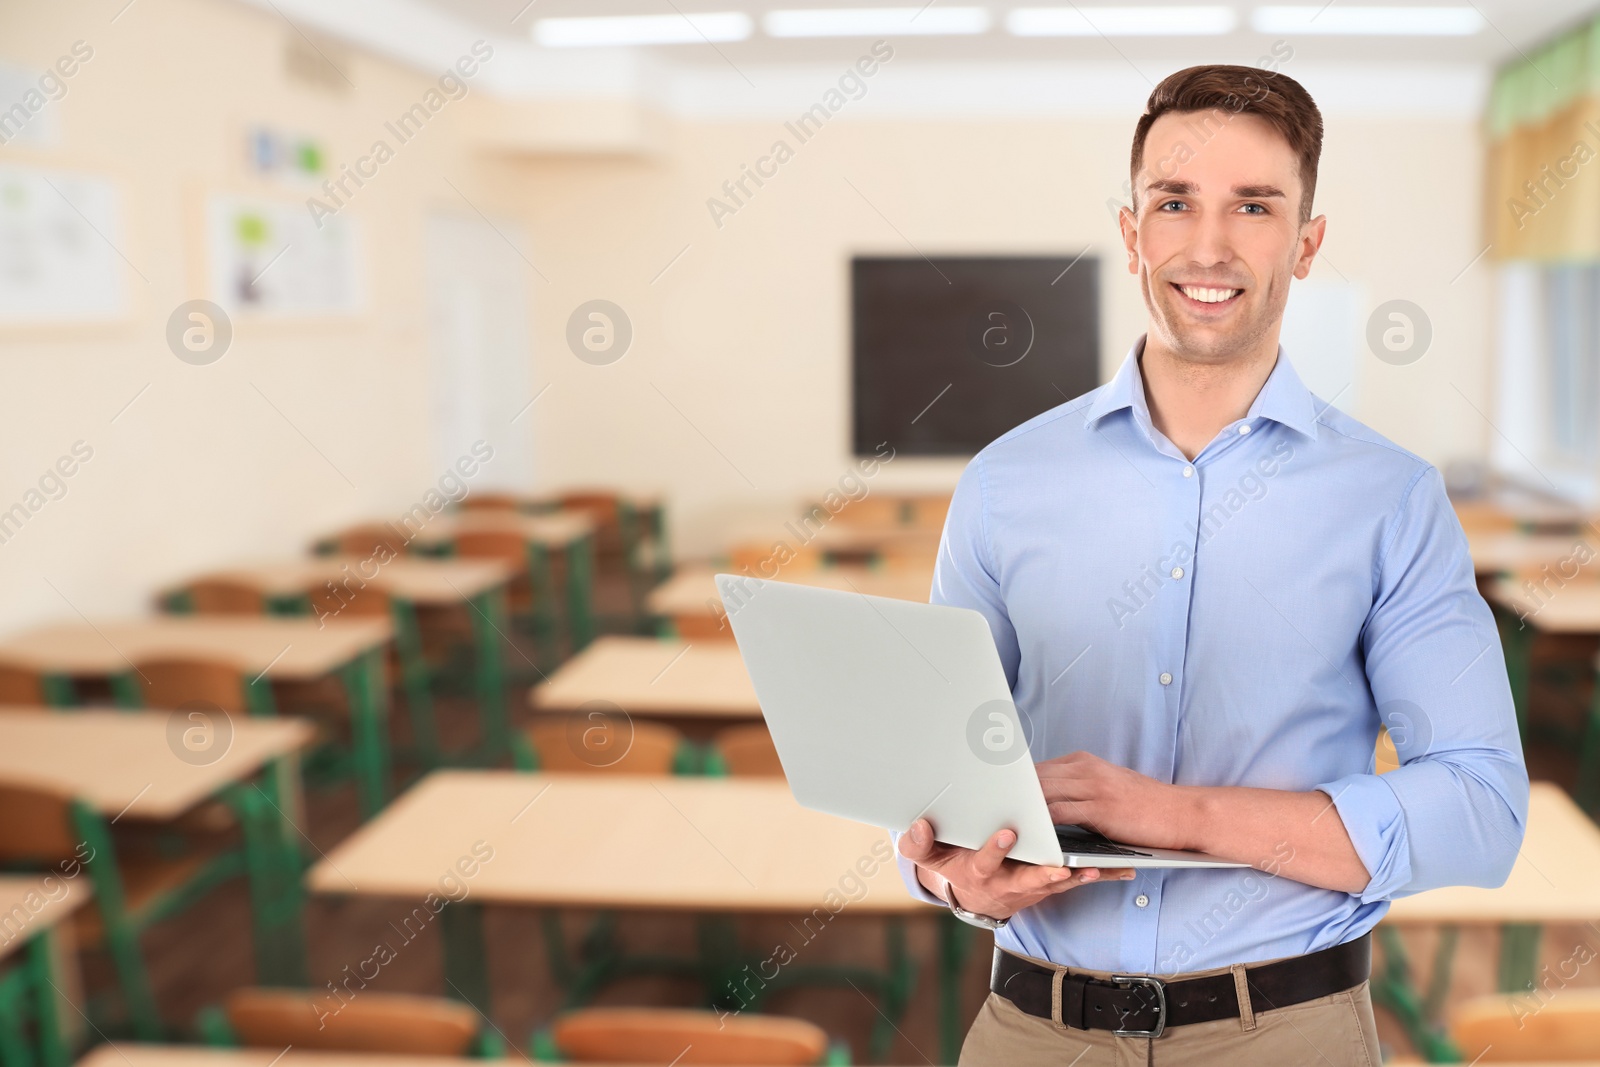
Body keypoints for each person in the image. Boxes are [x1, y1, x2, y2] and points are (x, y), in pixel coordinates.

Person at [895, 63, 1529, 1064]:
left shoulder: (1390, 498)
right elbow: (940, 772)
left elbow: (1481, 808)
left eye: (1254, 206)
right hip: (1030, 1028)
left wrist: (1176, 815)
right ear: (1130, 229)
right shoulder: (1003, 481)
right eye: (1174, 202)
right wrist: (946, 873)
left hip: (1287, 1030)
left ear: (1306, 243)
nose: (1207, 244)